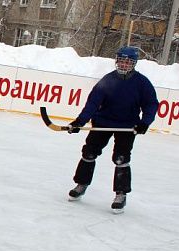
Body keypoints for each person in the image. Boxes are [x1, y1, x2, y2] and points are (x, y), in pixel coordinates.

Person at [65, 46, 158, 213]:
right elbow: (93, 103)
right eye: (121, 61)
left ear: (133, 63)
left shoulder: (142, 83)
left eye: (127, 62)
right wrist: (80, 121)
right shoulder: (107, 80)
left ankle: (121, 194)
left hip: (128, 127)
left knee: (121, 158)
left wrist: (145, 122)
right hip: (103, 122)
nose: (123, 64)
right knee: (89, 153)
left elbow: (151, 104)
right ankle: (81, 183)